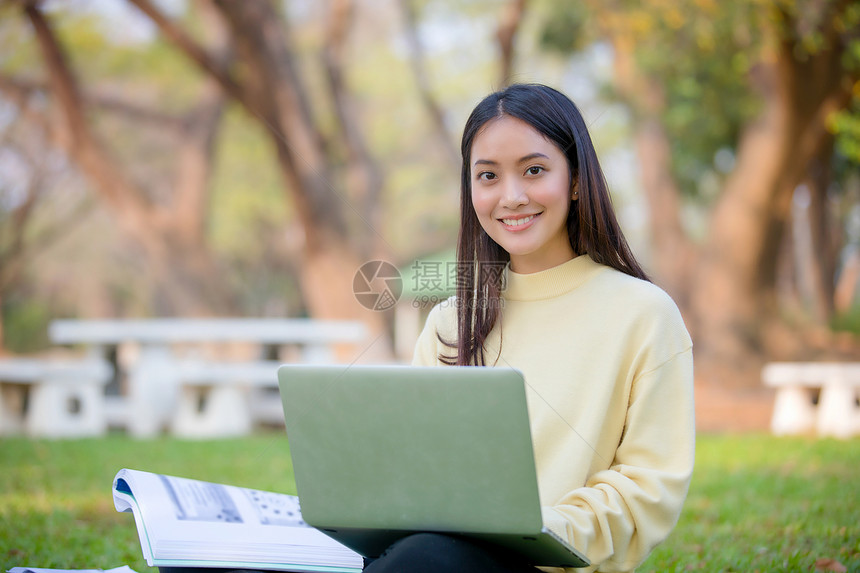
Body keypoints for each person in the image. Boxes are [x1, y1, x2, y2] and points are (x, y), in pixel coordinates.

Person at [364, 84, 694, 573]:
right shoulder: (449, 322)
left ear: (577, 179)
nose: (511, 197)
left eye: (534, 170)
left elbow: (645, 493)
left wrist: (533, 528)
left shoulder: (644, 314)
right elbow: (419, 470)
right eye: (488, 176)